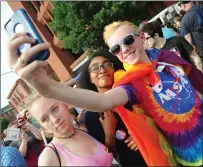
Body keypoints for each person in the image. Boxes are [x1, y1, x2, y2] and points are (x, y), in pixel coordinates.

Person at [7, 19, 203, 166]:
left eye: (128, 40)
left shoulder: (166, 58)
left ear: (142, 37)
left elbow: (194, 89)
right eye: (116, 48)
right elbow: (103, 102)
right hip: (193, 157)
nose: (124, 49)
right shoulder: (131, 85)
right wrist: (47, 87)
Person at [78, 49, 146, 166]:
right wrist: (109, 136)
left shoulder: (132, 94)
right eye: (95, 68)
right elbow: (103, 159)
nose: (102, 70)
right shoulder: (92, 114)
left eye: (107, 65)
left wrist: (142, 133)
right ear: (90, 78)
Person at [24, 94, 113, 166]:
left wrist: (110, 133)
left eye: (55, 109)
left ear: (64, 104)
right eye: (45, 119)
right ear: (43, 127)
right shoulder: (49, 157)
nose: (55, 119)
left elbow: (107, 153)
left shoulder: (83, 131)